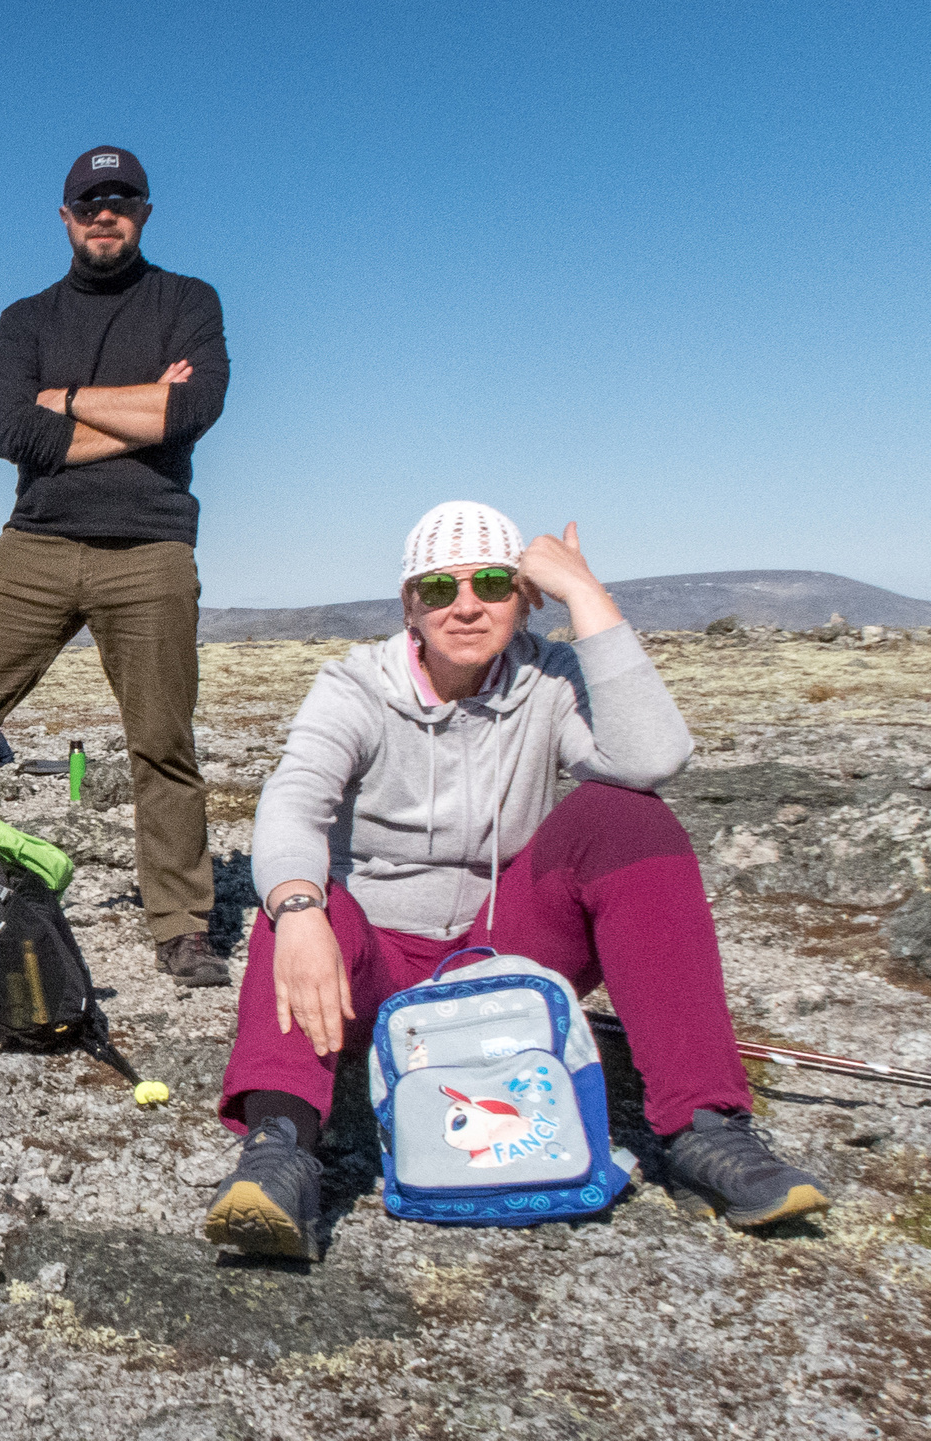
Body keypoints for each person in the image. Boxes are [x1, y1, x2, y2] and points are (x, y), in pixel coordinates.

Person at [202, 502, 830, 1259]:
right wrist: (300, 909)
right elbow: (292, 802)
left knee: (627, 816)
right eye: (439, 588)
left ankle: (705, 1129)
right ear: (409, 603)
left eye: (494, 583)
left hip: (502, 953)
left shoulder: (549, 676)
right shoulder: (355, 686)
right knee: (298, 900)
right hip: (370, 961)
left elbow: (652, 758)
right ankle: (281, 1152)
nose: (465, 605)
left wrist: (585, 593)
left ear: (524, 599)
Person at [0, 144, 232, 989]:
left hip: (151, 549)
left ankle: (181, 924)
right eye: (90, 202)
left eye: (122, 199)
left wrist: (61, 403)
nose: (106, 213)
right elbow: (7, 432)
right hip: (36, 543)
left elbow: (196, 409)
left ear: (144, 211)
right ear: (65, 218)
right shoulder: (25, 319)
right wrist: (143, 409)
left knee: (162, 742)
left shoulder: (188, 301)